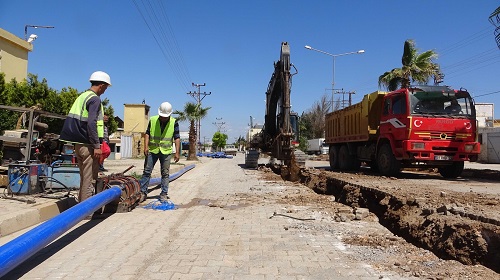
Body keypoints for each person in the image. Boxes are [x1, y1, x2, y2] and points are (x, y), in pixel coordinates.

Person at [60, 71, 111, 204]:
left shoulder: (83, 96)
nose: (105, 90)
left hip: (78, 144)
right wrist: (96, 145)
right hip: (88, 145)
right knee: (89, 180)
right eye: (105, 87)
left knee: (84, 178)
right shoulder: (95, 99)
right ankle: (86, 211)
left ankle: (80, 206)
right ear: (101, 85)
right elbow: (91, 123)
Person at [139, 101, 181, 203]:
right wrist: (145, 147)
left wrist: (177, 152)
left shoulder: (174, 122)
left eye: (165, 116)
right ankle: (142, 193)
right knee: (147, 172)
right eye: (162, 116)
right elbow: (147, 134)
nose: (163, 118)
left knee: (165, 173)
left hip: (166, 152)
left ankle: (163, 193)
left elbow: (177, 138)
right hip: (152, 150)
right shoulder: (153, 120)